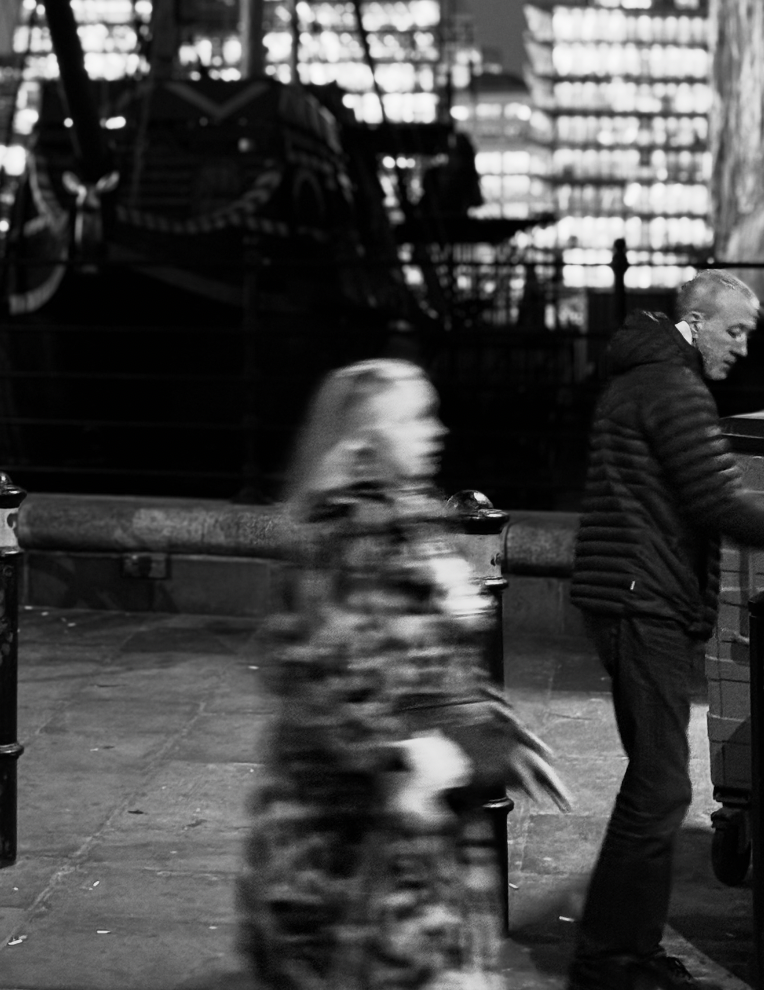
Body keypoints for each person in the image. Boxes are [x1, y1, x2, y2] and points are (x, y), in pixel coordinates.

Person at [238, 357, 570, 990]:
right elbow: (320, 678)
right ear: (365, 435)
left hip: (408, 842)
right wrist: (408, 756)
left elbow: (439, 660)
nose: (436, 431)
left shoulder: (412, 521)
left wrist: (496, 733)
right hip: (340, 848)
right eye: (417, 417)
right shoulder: (340, 534)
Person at [566, 271, 764, 990]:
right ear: (696, 320)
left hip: (629, 596)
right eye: (735, 331)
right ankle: (609, 962)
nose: (744, 348)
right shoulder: (672, 387)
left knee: (653, 784)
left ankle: (623, 949)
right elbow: (714, 495)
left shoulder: (643, 378)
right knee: (658, 789)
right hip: (640, 600)